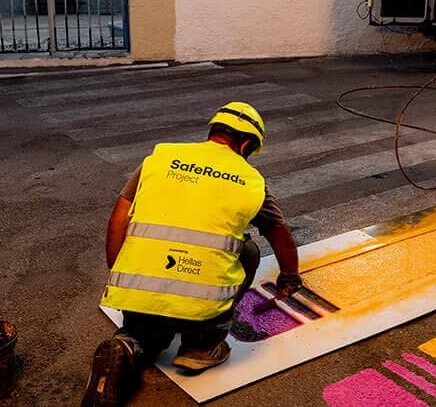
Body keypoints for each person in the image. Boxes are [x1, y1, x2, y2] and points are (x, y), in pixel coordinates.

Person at [82, 101, 301, 406]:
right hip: (202, 307)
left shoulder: (160, 159)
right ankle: (201, 347)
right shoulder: (251, 182)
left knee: (144, 336)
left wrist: (120, 273)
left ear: (213, 131)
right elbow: (281, 238)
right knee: (247, 250)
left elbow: (119, 218)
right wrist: (290, 276)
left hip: (140, 295)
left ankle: (128, 345)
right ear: (247, 143)